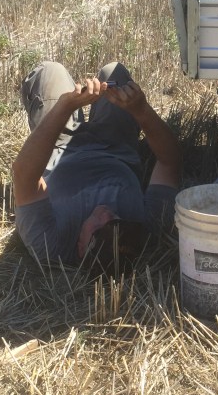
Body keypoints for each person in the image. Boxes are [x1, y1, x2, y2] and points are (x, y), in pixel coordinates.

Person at [12, 60, 181, 275]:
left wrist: (66, 106)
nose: (108, 215)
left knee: (49, 71)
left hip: (59, 146)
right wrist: (141, 110)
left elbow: (23, 176)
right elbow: (170, 161)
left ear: (81, 249)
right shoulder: (144, 230)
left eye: (101, 228)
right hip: (116, 145)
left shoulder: (51, 246)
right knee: (115, 72)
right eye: (117, 222)